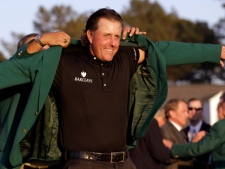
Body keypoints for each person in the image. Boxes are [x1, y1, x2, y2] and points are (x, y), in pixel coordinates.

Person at [0, 7, 225, 169]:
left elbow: (163, 51)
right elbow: (13, 70)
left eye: (117, 36)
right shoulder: (61, 61)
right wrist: (40, 41)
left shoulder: (125, 57)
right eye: (106, 35)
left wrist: (216, 52)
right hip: (82, 164)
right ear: (89, 35)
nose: (113, 42)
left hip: (124, 162)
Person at [163, 92, 225, 169]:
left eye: (219, 105)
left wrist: (173, 147)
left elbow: (199, 148)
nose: (188, 113)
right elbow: (164, 157)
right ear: (172, 113)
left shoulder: (216, 127)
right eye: (189, 109)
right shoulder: (166, 130)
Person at [160, 98, 193, 169]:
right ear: (172, 114)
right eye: (184, 111)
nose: (187, 115)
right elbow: (167, 157)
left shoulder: (181, 131)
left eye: (187, 111)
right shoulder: (164, 130)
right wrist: (192, 145)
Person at [182, 98, 211, 169]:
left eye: (197, 109)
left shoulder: (210, 130)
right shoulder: (182, 132)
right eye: (190, 108)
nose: (193, 111)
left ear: (202, 111)